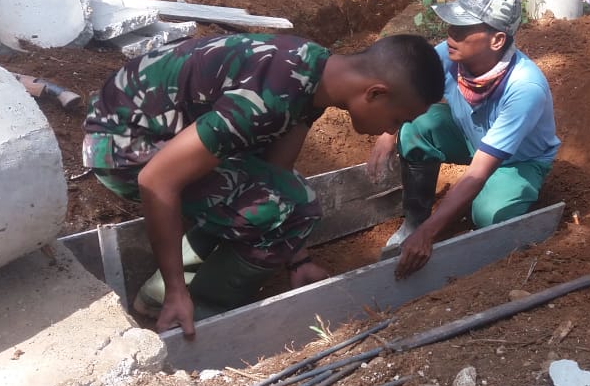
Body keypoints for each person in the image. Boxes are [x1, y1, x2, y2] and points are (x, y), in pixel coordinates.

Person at [83, 33, 444, 335]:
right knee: (300, 204)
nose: (391, 131)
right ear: (375, 93)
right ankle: (196, 313)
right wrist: (180, 291)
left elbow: (274, 173)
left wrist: (296, 258)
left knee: (284, 198)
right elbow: (157, 179)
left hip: (158, 133)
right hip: (122, 148)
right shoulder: (268, 100)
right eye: (397, 119)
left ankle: (156, 294)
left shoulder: (317, 73)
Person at [367, 0, 560, 279]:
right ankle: (414, 221)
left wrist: (430, 236)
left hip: (517, 161)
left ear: (496, 40)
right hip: (472, 137)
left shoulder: (524, 87)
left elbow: (478, 172)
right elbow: (410, 90)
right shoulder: (449, 53)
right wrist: (388, 133)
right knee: (416, 126)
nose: (451, 34)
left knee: (487, 213)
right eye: (451, 25)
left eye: (463, 28)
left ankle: (517, 200)